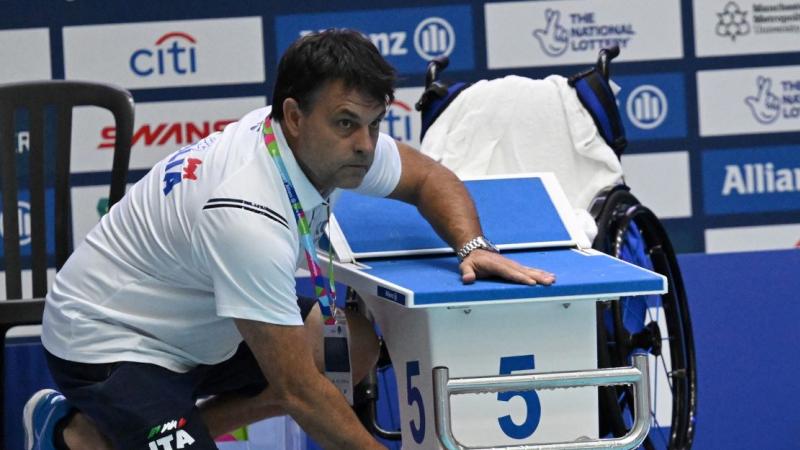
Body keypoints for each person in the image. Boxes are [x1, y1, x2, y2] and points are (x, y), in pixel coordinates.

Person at [24, 29, 555, 450]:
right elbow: (302, 393)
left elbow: (429, 179)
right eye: (347, 123)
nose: (366, 146)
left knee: (356, 345)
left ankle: (120, 437)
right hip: (112, 340)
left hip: (204, 319)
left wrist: (473, 246)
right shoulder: (246, 212)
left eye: (373, 125)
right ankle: (74, 433)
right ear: (295, 116)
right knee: (303, 385)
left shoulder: (310, 139)